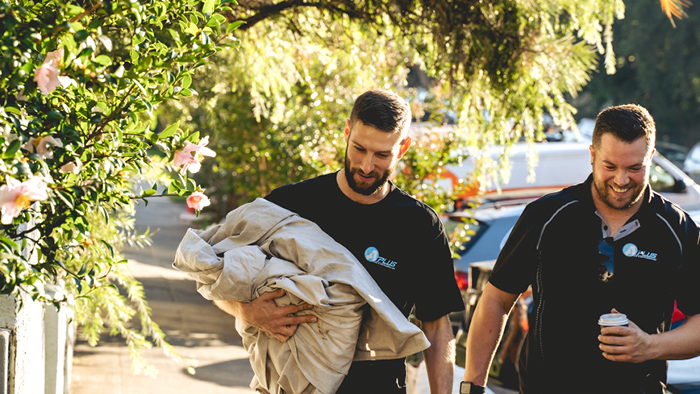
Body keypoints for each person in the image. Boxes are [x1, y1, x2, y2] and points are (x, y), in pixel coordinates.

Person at [214, 89, 465, 394]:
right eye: (359, 148)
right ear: (347, 132)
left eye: (382, 155)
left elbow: (437, 327)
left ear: (403, 149)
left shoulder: (419, 225)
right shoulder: (291, 203)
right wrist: (244, 311)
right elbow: (217, 270)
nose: (367, 166)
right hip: (291, 384)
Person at [461, 104, 700, 394]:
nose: (621, 181)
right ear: (592, 155)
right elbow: (496, 300)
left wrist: (649, 347)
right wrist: (472, 386)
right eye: (609, 166)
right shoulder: (546, 216)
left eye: (634, 168)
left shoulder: (677, 229)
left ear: (650, 158)